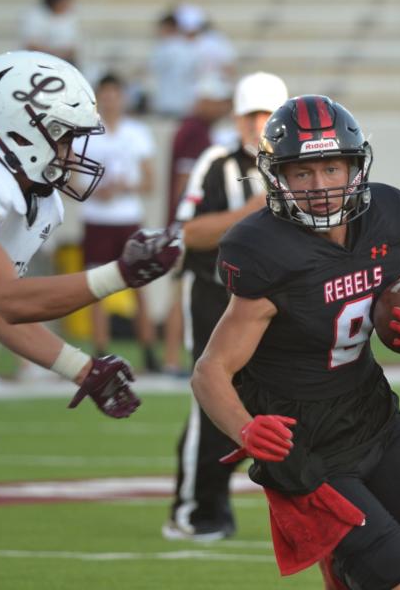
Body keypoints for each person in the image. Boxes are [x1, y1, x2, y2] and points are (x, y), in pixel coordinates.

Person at [0, 50, 182, 590]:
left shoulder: (36, 202)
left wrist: (80, 367)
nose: (70, 151)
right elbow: (10, 298)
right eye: (61, 135)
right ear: (14, 130)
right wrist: (118, 275)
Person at [191, 95, 400, 589]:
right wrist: (247, 433)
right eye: (302, 173)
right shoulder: (265, 251)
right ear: (277, 177)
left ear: (355, 166)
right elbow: (210, 371)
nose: (320, 186)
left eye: (331, 168)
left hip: (375, 420)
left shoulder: (388, 219)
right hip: (308, 450)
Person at [163, 72, 287, 541]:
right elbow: (185, 231)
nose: (259, 125)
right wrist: (249, 211)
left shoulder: (301, 164)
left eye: (267, 114)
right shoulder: (216, 163)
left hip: (279, 301)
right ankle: (194, 511)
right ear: (236, 119)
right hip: (217, 295)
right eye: (251, 115)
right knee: (213, 397)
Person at [81, 73, 159, 369]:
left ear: (123, 97)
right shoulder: (86, 133)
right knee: (94, 288)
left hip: (127, 218)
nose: (110, 100)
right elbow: (74, 181)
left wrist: (125, 187)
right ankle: (100, 349)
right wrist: (97, 191)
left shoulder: (136, 132)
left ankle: (149, 350)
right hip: (97, 218)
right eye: (105, 94)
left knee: (139, 285)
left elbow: (149, 181)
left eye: (115, 93)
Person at [161, 75, 234, 376]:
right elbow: (185, 182)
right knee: (183, 292)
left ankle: (173, 358)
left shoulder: (196, 130)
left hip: (182, 223)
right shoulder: (195, 132)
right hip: (186, 226)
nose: (222, 108)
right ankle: (173, 360)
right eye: (216, 101)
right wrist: (184, 224)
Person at [20, 0, 80, 64]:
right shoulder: (35, 15)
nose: (66, 4)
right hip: (37, 60)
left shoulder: (69, 16)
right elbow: (31, 44)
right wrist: (53, 54)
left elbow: (72, 47)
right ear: (54, 1)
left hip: (63, 60)